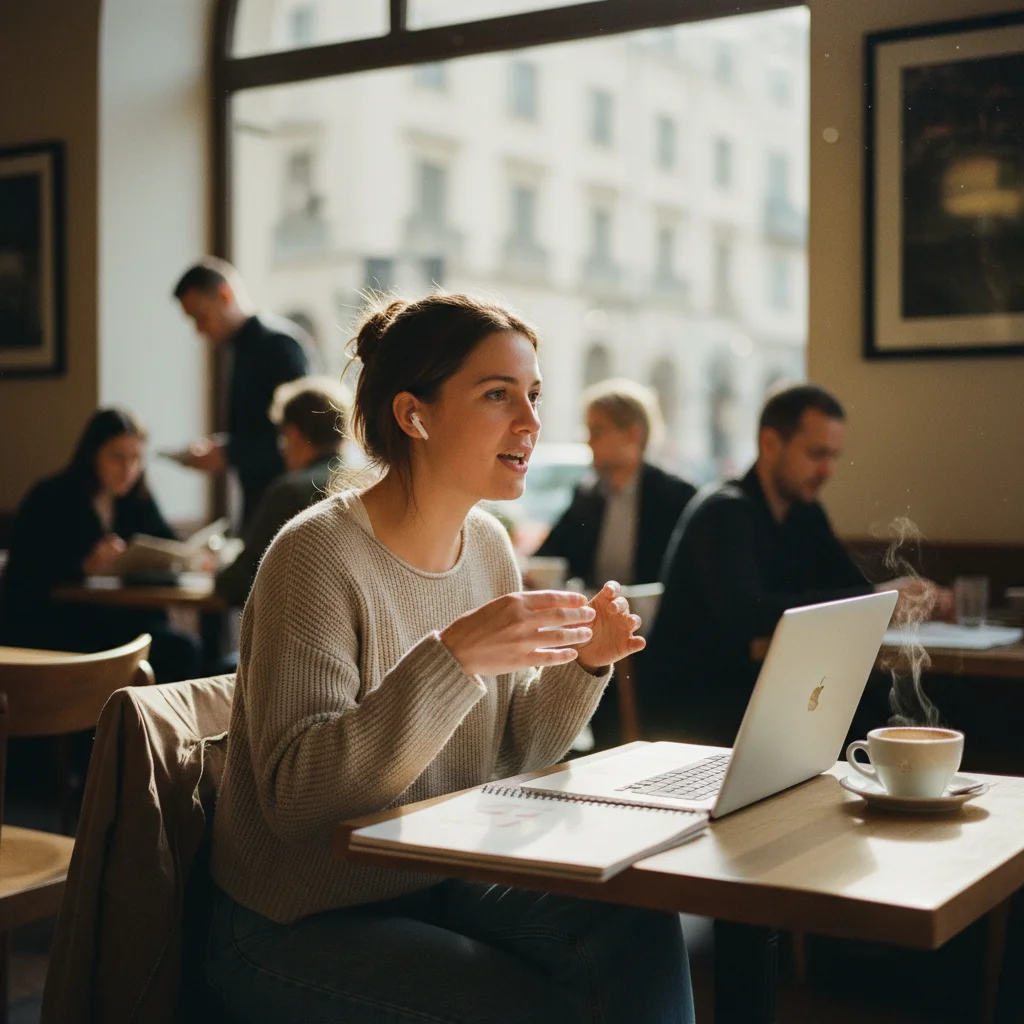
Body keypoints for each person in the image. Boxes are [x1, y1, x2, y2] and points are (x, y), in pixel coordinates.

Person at [205, 295, 694, 1024]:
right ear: (414, 414)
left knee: (639, 920)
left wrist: (584, 665)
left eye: (532, 395)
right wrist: (453, 659)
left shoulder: (488, 546)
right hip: (296, 917)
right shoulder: (315, 556)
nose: (531, 424)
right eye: (498, 396)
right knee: (537, 1006)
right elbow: (298, 802)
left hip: (429, 874)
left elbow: (512, 754)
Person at [642, 383, 954, 747]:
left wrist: (905, 598)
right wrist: (876, 597)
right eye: (817, 453)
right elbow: (748, 614)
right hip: (696, 709)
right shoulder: (724, 511)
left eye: (834, 456)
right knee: (869, 724)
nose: (829, 470)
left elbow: (846, 581)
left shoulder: (804, 512)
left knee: (892, 711)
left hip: (767, 691)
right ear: (770, 444)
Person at [1, 409, 202, 683]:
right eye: (117, 457)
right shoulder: (51, 498)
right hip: (62, 622)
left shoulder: (136, 499)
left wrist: (195, 556)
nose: (128, 469)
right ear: (92, 454)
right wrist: (83, 567)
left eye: (136, 458)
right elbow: (26, 572)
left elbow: (169, 543)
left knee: (184, 648)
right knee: (174, 650)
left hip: (120, 618)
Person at [172, 257, 310, 526]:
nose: (199, 330)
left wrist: (229, 454)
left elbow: (302, 439)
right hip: (261, 501)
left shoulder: (278, 346)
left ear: (224, 295)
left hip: (287, 507)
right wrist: (225, 447)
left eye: (200, 317)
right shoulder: (240, 350)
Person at [535, 378, 696, 588]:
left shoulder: (676, 496)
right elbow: (549, 555)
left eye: (598, 431)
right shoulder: (588, 494)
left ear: (633, 435)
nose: (589, 441)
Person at [214, 376, 349, 608]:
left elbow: (241, 580)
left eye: (282, 437)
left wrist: (218, 568)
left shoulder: (291, 491)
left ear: (293, 433)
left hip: (303, 630)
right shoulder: (367, 484)